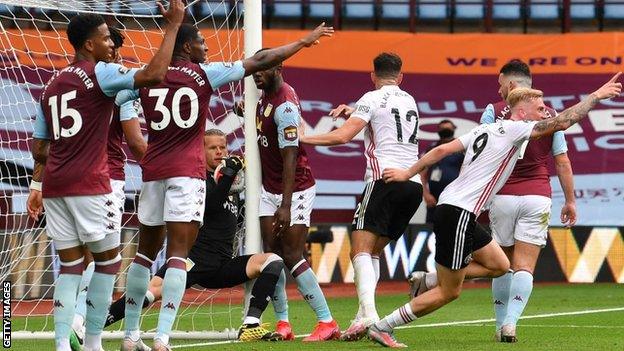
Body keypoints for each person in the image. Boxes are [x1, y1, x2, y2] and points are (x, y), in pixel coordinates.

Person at [116, 23, 334, 350]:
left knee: (140, 258)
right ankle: (162, 339)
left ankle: (126, 334)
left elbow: (122, 102)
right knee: (176, 257)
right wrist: (304, 40)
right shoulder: (204, 74)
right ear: (188, 47)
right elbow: (257, 62)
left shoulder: (148, 76)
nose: (207, 46)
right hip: (185, 175)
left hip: (151, 170)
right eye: (202, 42)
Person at [371, 73, 621, 348]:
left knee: (502, 266)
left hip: (457, 210)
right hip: (458, 213)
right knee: (449, 292)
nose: (545, 113)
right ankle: (383, 326)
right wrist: (596, 96)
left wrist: (408, 171)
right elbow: (564, 121)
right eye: (539, 109)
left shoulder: (484, 129)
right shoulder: (517, 130)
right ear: (522, 111)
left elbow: (440, 151)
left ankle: (428, 279)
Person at [25, 2, 185, 350]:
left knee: (70, 266)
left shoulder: (52, 84)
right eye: (104, 38)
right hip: (91, 184)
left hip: (56, 186)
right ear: (88, 45)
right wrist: (172, 27)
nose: (110, 44)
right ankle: (94, 342)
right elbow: (155, 75)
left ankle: (61, 346)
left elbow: (39, 148)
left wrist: (66, 153)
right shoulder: (103, 74)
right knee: (108, 262)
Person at [103, 130, 285, 343]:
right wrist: (228, 175)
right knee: (151, 291)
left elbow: (232, 218)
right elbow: (211, 204)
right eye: (212, 148)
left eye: (223, 147)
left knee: (273, 262)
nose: (219, 152)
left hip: (222, 265)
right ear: (201, 150)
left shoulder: (231, 183)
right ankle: (93, 324)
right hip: (193, 261)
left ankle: (251, 324)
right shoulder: (198, 180)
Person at [301, 52, 423, 341]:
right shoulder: (409, 100)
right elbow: (383, 119)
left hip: (383, 180)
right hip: (413, 183)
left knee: (360, 250)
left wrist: (303, 138)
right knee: (374, 252)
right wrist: (355, 111)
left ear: (372, 75)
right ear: (400, 76)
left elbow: (342, 137)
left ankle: (369, 314)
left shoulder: (370, 98)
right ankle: (361, 316)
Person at [242, 49, 339, 342]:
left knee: (293, 255)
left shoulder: (284, 105)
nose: (257, 72)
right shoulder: (265, 99)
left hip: (294, 189)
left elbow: (291, 157)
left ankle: (327, 321)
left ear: (279, 67)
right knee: (272, 256)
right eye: (256, 67)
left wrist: (285, 205)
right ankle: (283, 323)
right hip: (268, 188)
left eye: (264, 67)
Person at [482, 59, 576, 342]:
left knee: (503, 264)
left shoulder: (494, 111)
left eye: (500, 84)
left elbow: (481, 153)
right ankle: (511, 323)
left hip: (502, 196)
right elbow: (562, 162)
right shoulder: (552, 115)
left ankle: (499, 327)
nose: (499, 90)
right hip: (537, 196)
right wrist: (570, 200)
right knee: (525, 266)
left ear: (510, 84)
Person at [68, 26, 148, 351]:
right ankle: (80, 322)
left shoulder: (70, 82)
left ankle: (77, 335)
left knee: (81, 258)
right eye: (113, 45)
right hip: (108, 178)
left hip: (72, 178)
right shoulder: (120, 86)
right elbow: (135, 143)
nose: (116, 52)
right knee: (107, 259)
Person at [420, 120, 463, 224]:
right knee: (432, 227)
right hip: (434, 200)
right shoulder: (432, 148)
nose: (445, 131)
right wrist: (426, 195)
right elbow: (422, 174)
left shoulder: (461, 147)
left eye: (448, 129)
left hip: (455, 198)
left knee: (453, 226)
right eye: (443, 129)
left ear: (454, 129)